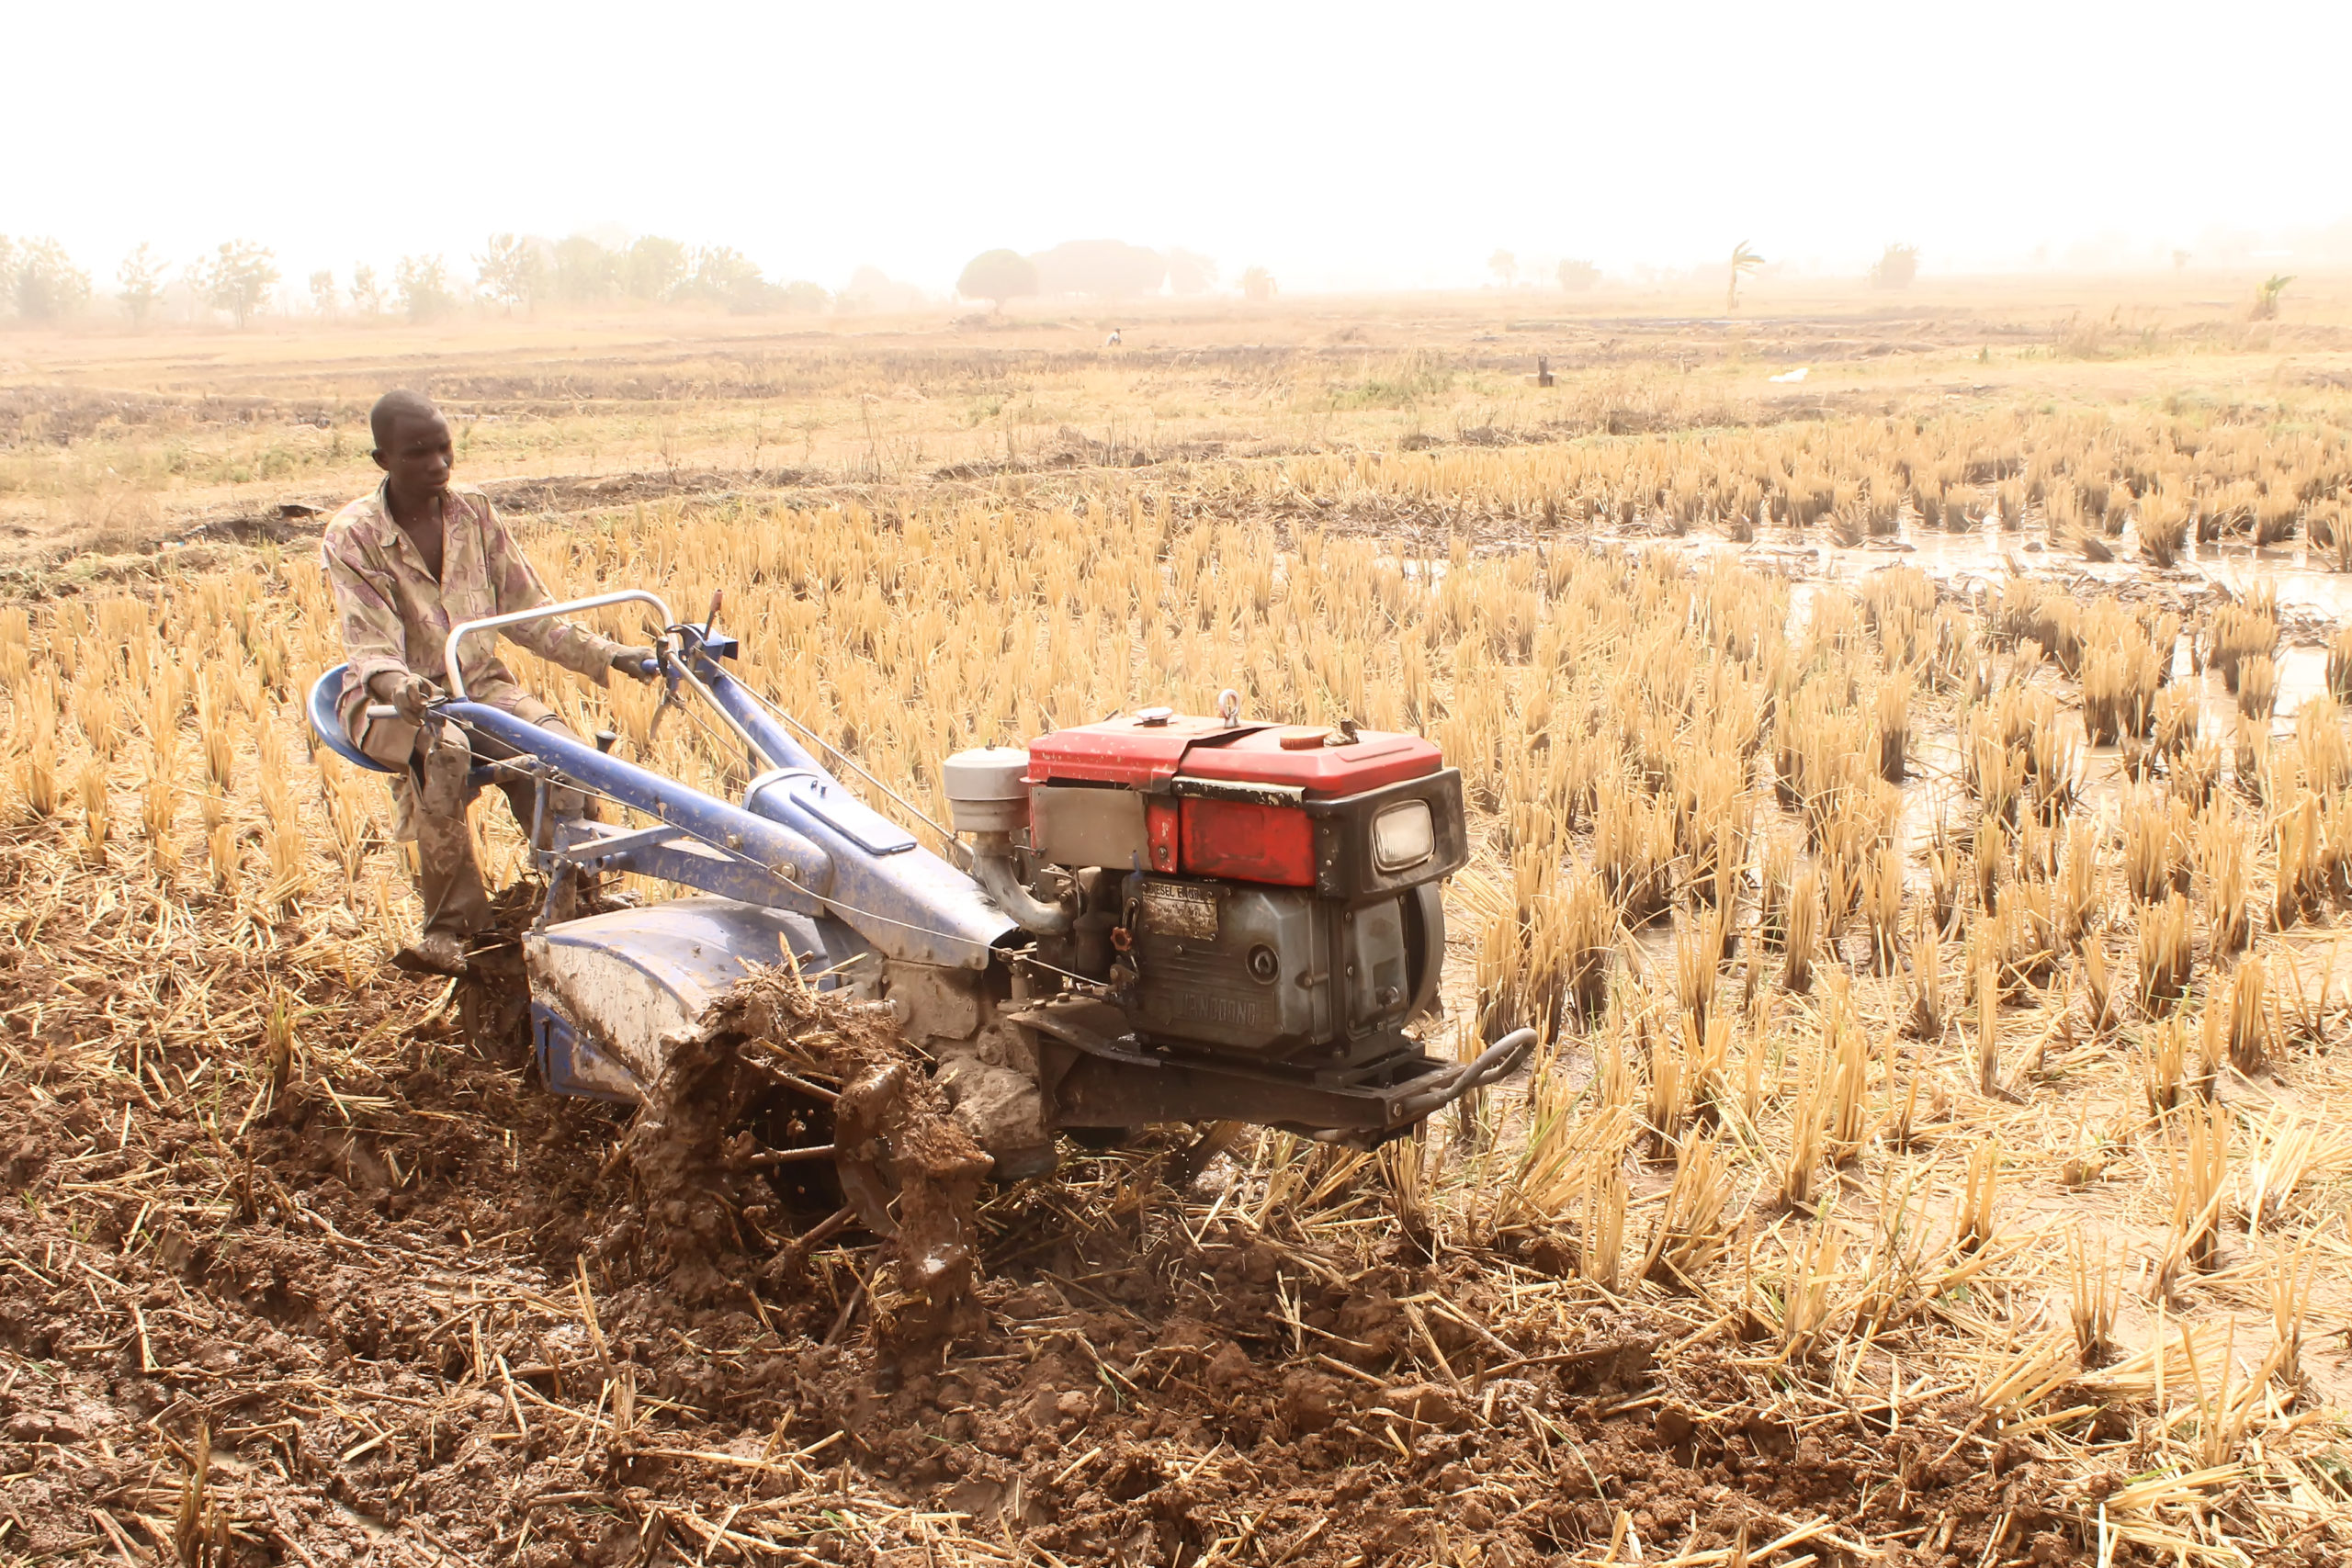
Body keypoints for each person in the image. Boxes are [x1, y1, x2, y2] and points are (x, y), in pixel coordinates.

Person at [322, 389, 658, 976]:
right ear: (383, 460)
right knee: (446, 753)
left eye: (445, 448)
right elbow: (369, 644)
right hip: (394, 702)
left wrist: (610, 654)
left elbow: (529, 615)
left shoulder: (474, 513)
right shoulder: (353, 537)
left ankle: (576, 890)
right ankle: (450, 928)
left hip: (478, 686)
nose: (438, 464)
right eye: (417, 453)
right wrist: (398, 685)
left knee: (561, 751)